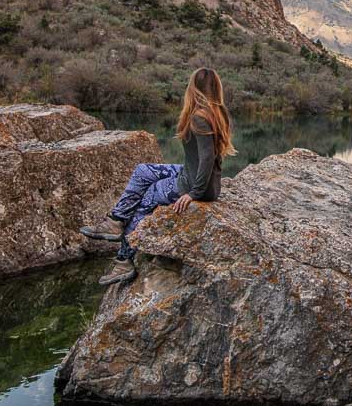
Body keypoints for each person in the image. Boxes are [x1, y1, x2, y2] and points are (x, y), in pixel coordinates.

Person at [80, 67, 236, 285]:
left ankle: (124, 260)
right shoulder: (217, 112)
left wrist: (194, 193)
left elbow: (208, 158)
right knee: (143, 170)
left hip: (194, 184)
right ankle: (115, 220)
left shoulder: (199, 117)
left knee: (147, 200)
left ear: (192, 88)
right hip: (193, 175)